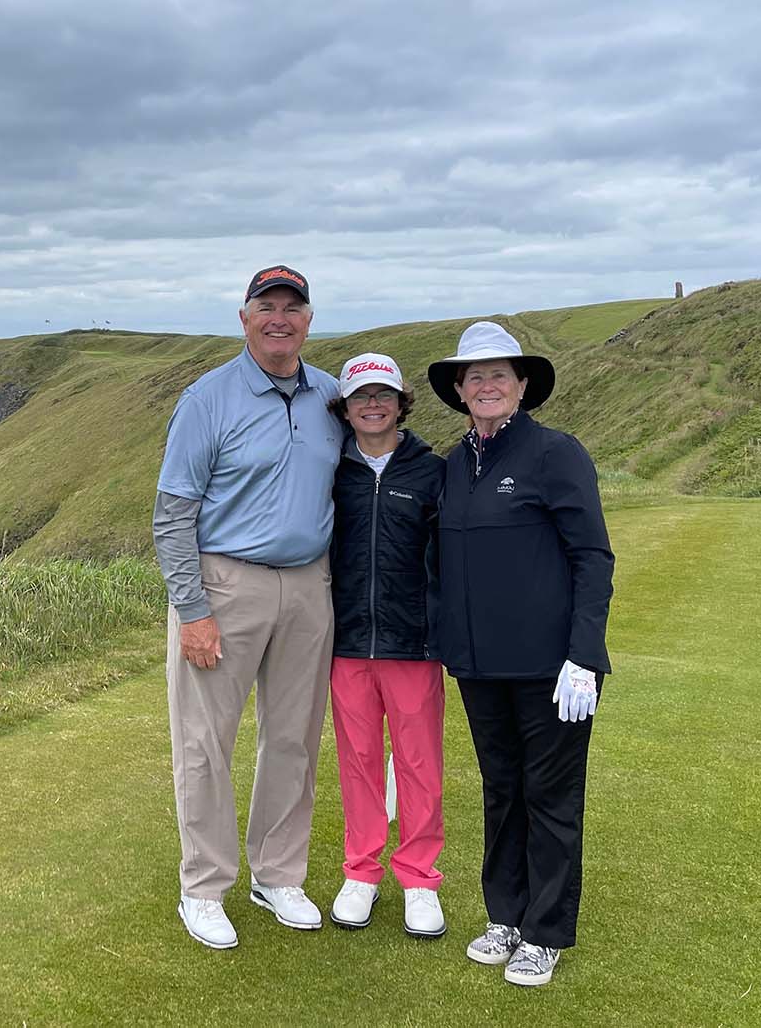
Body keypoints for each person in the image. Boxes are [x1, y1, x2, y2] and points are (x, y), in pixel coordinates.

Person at [153, 264, 342, 950]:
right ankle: (203, 886)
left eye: (293, 306)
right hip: (225, 584)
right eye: (267, 305)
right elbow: (173, 514)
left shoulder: (330, 395)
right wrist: (192, 607)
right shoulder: (208, 398)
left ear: (309, 319)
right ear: (244, 316)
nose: (280, 317)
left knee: (293, 736)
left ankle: (278, 873)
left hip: (308, 585)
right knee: (205, 741)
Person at [427, 321, 614, 987]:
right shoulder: (454, 465)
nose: (486, 385)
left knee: (551, 797)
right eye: (473, 376)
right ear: (459, 389)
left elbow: (592, 556)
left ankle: (544, 932)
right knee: (502, 791)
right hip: (480, 668)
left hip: (553, 669)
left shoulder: (555, 454)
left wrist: (584, 655)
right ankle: (504, 916)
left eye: (498, 374)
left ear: (523, 384)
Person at [324, 353, 448, 938]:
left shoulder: (433, 472)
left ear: (401, 404)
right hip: (346, 641)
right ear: (345, 409)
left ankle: (420, 877)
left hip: (412, 643)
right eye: (360, 397)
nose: (372, 405)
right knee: (359, 761)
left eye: (384, 395)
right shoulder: (330, 471)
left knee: (420, 763)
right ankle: (362, 872)